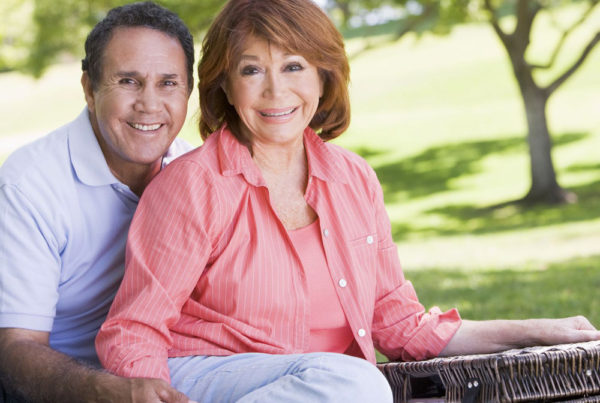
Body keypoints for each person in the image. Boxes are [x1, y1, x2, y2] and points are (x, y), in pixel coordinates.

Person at [96, 0, 600, 401]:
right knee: (356, 382)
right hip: (209, 379)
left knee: (351, 382)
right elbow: (133, 331)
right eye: (252, 70)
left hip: (325, 389)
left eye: (294, 66)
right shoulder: (193, 185)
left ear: (323, 76)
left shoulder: (353, 178)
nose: (275, 91)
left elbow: (398, 324)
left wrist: (536, 331)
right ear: (225, 84)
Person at [0, 2, 198, 402]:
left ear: (189, 90)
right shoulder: (29, 185)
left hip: (170, 369)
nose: (149, 104)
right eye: (128, 81)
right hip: (63, 389)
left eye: (168, 83)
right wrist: (102, 389)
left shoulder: (192, 172)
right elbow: (13, 349)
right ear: (90, 89)